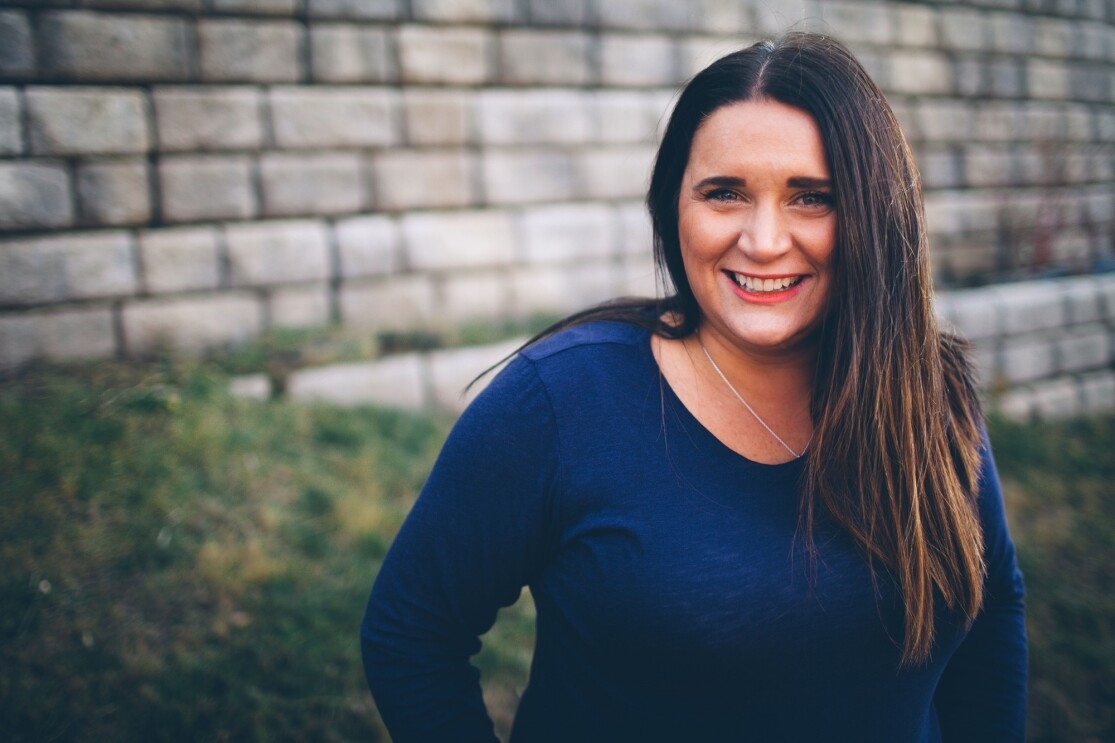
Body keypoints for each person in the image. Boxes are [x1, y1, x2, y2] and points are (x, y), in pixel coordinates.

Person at [360, 32, 1027, 742]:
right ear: (671, 207)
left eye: (811, 197)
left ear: (875, 213)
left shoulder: (925, 392)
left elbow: (992, 613)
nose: (764, 240)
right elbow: (411, 632)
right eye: (724, 193)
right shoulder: (560, 400)